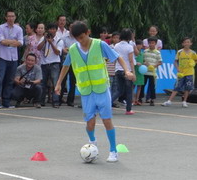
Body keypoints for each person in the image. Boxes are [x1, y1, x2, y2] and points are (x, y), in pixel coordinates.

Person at [55, 21, 134, 163]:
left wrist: (127, 70)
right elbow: (66, 66)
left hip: (102, 89)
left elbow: (118, 57)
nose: (80, 41)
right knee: (90, 123)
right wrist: (59, 83)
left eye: (82, 37)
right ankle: (92, 142)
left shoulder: (99, 44)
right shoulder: (73, 49)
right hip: (86, 91)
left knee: (106, 120)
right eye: (77, 38)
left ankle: (113, 151)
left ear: (88, 33)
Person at [0, 9, 23, 108]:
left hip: (13, 58)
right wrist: (14, 41)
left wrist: (9, 42)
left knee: (10, 81)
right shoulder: (1, 28)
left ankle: (6, 102)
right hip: (3, 57)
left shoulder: (18, 29)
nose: (10, 18)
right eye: (9, 16)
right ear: (6, 17)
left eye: (12, 16)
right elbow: (2, 41)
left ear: (15, 17)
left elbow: (21, 43)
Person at [162, 37, 196, 108]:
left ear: (191, 43)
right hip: (181, 73)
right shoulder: (180, 52)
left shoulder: (193, 53)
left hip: (190, 73)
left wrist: (193, 63)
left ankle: (184, 101)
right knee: (177, 87)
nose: (187, 43)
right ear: (183, 44)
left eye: (188, 42)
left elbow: (195, 60)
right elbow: (175, 61)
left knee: (187, 88)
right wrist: (177, 68)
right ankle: (169, 101)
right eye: (185, 42)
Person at [38, 23, 63, 107]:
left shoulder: (59, 40)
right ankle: (41, 101)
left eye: (53, 29)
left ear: (56, 30)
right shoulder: (43, 38)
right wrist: (45, 40)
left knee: (55, 83)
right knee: (42, 83)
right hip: (44, 63)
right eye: (50, 29)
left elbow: (57, 52)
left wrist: (51, 43)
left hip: (54, 63)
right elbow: (38, 48)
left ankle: (56, 101)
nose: (51, 31)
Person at [111, 28, 136, 114]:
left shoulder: (116, 46)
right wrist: (133, 73)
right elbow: (131, 61)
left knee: (119, 90)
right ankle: (128, 109)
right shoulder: (129, 47)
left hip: (118, 69)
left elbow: (114, 58)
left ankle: (106, 104)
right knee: (129, 91)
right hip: (127, 70)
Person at [142, 37, 162, 106]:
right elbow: (143, 60)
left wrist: (154, 66)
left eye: (152, 43)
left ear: (155, 44)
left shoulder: (157, 52)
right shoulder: (145, 51)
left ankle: (152, 99)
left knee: (152, 87)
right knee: (142, 85)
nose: (151, 44)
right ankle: (140, 98)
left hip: (152, 73)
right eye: (150, 43)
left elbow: (160, 62)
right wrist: (145, 63)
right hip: (144, 72)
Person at [133, 39, 145, 106]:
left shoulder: (142, 54)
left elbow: (143, 61)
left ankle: (137, 99)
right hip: (135, 71)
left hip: (140, 72)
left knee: (139, 86)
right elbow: (130, 62)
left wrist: (144, 63)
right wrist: (136, 63)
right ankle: (132, 100)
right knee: (133, 86)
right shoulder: (133, 54)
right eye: (139, 44)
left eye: (141, 45)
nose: (140, 46)